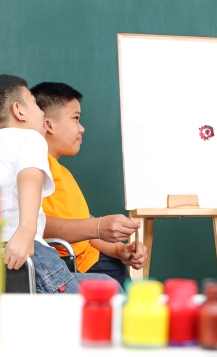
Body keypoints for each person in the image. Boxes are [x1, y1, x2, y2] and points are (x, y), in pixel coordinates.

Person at [0, 74, 137, 293]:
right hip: (30, 257)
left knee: (105, 285)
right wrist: (26, 230)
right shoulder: (28, 138)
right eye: (33, 102)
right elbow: (30, 176)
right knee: (108, 293)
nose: (41, 112)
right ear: (19, 111)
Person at [31, 81, 147, 286]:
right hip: (77, 268)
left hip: (100, 262)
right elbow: (37, 224)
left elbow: (85, 231)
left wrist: (119, 250)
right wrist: (99, 226)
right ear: (48, 124)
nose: (82, 128)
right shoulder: (35, 167)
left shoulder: (63, 173)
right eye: (76, 118)